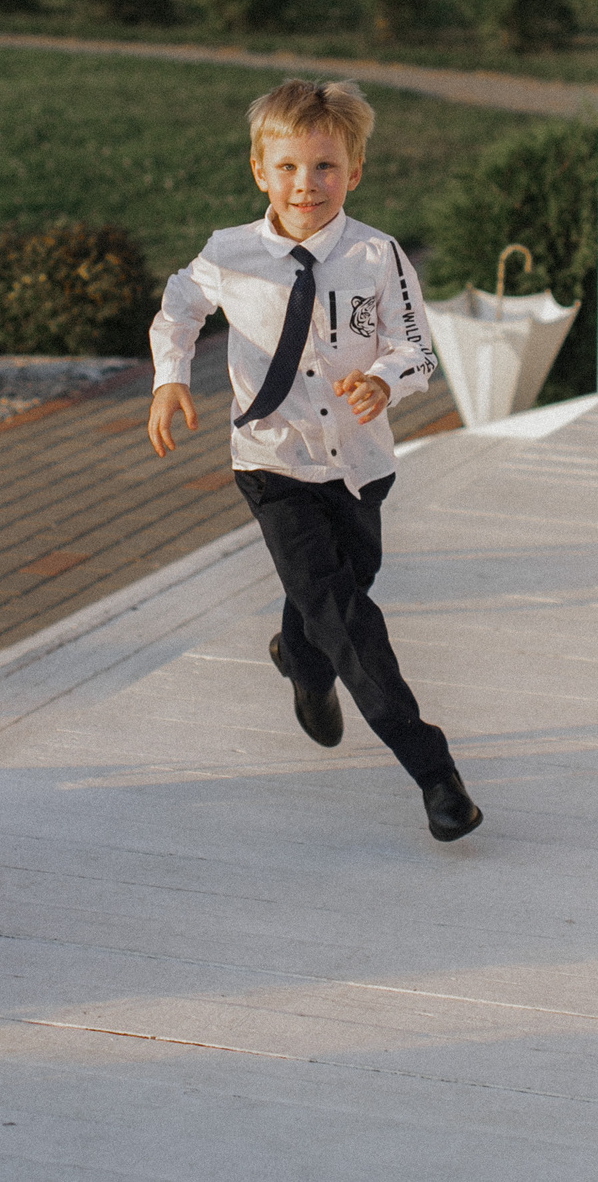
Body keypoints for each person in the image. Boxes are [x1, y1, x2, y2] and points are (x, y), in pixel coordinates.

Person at [147, 78, 480, 842]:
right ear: (261, 170)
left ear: (354, 171)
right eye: (289, 167)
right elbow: (178, 305)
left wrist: (384, 379)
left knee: (344, 585)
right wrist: (169, 379)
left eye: (325, 167)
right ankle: (434, 772)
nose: (307, 185)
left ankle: (297, 651)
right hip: (273, 464)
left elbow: (417, 347)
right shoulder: (230, 253)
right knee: (351, 619)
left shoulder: (377, 255)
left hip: (360, 463)